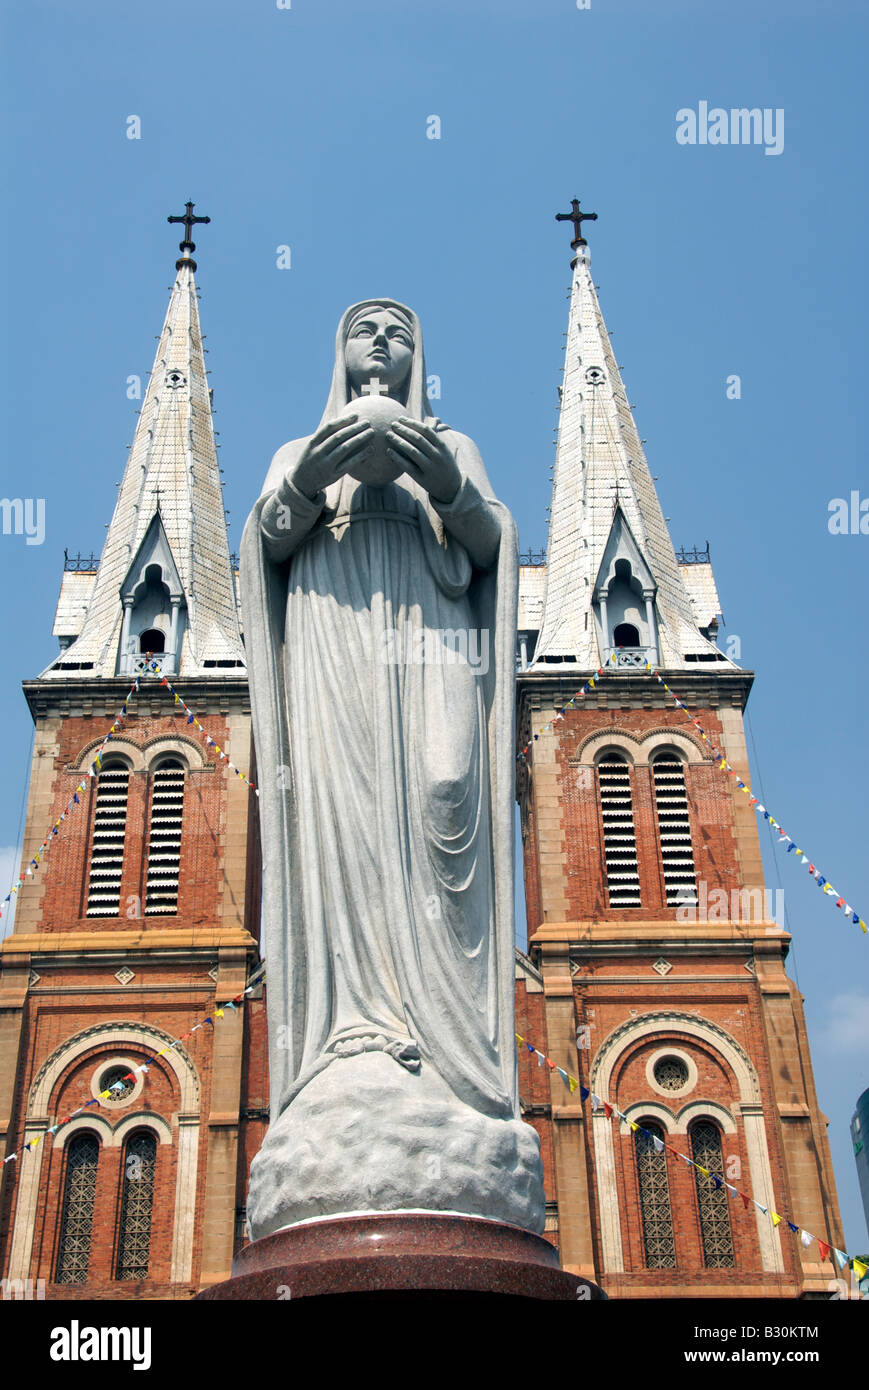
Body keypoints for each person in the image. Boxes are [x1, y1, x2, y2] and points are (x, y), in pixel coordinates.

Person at [240, 299, 544, 1235]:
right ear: (337, 351)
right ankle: (354, 1035)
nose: (381, 342)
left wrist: (443, 480)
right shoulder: (302, 444)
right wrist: (311, 474)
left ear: (419, 355)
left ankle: (460, 1061)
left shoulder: (452, 444)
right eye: (363, 329)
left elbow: (495, 544)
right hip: (333, 645)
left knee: (445, 791)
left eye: (398, 331)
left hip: (432, 638)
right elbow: (264, 540)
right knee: (349, 822)